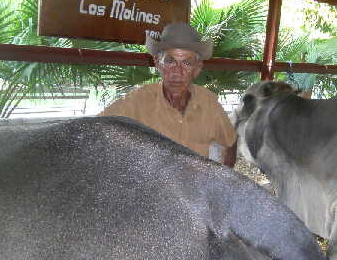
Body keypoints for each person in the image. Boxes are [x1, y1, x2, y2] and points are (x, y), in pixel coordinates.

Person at [98, 23, 238, 167]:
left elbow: (230, 141)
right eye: (170, 61)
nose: (177, 72)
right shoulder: (137, 101)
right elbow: (95, 130)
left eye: (187, 63)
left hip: (194, 187)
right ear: (158, 64)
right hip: (152, 188)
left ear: (198, 68)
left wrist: (225, 178)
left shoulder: (209, 103)